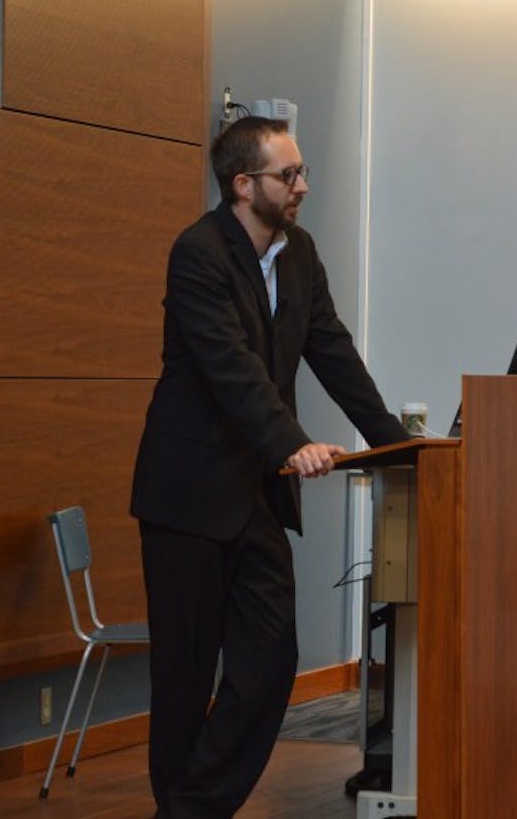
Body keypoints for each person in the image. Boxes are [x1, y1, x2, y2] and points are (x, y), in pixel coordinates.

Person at [130, 116, 409, 819]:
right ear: (243, 184)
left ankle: (190, 809)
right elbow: (231, 368)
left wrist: (396, 443)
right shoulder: (198, 253)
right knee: (185, 678)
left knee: (268, 661)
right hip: (188, 494)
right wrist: (291, 442)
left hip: (253, 493)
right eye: (290, 175)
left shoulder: (299, 253)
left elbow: (332, 349)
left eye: (302, 172)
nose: (303, 186)